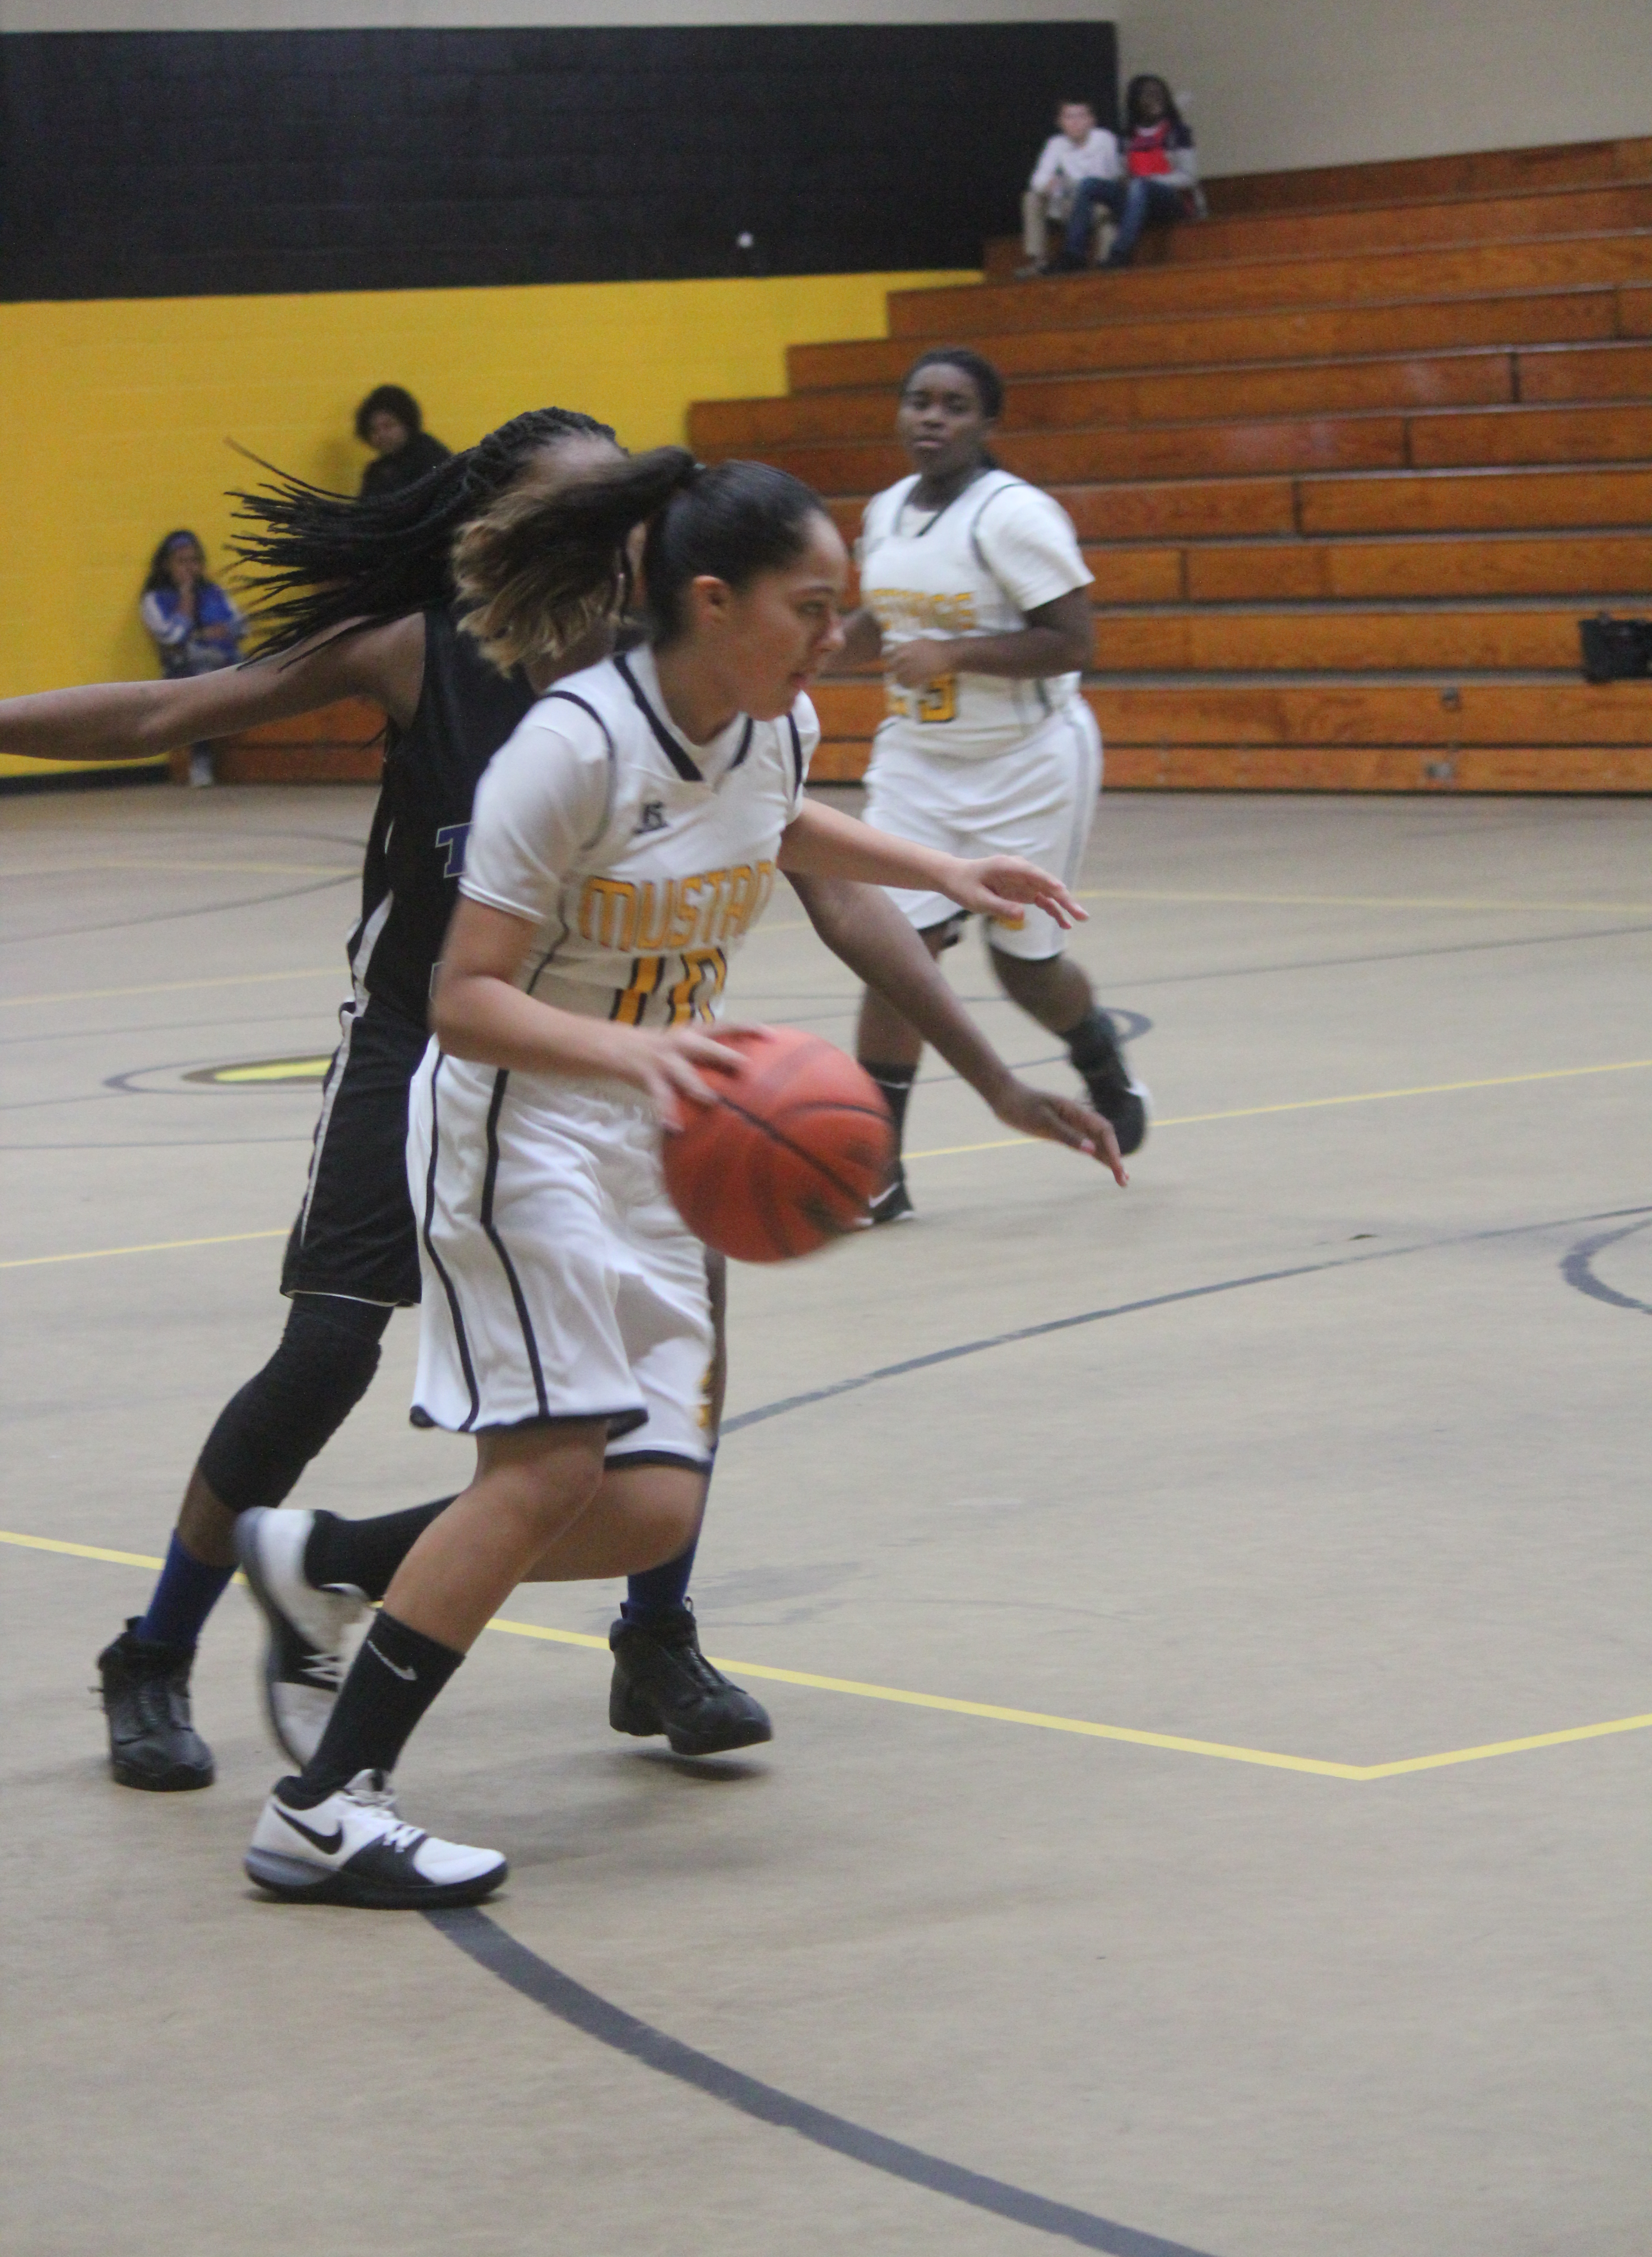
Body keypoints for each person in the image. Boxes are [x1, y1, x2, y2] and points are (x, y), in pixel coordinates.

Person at [0, 410, 1117, 1796]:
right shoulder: (434, 657)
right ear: (504, 533)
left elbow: (826, 882)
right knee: (331, 1352)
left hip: (630, 1057)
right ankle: (157, 1648)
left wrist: (994, 1070)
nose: (615, 543)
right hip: (435, 1034)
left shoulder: (708, 685)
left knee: (677, 1368)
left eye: (627, 515)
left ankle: (656, 1638)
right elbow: (169, 711)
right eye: (581, 517)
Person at [832, 346, 1149, 1224]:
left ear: (986, 425)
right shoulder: (885, 512)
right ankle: (878, 1170)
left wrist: (957, 653)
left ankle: (1098, 1058)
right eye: (918, 401)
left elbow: (1073, 641)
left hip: (1027, 761)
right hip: (920, 761)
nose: (931, 417)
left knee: (1024, 968)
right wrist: (817, 649)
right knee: (899, 954)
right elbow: (882, 623)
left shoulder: (1015, 516)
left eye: (955, 405)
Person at [1058, 75, 1201, 272]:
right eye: (1148, 94)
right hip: (1137, 201)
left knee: (1139, 185)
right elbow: (1122, 174)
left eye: (1159, 93)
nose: (1155, 98)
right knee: (1088, 185)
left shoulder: (1178, 133)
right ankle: (1073, 255)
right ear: (1135, 100)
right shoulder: (1127, 137)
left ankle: (1120, 253)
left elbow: (1189, 178)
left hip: (1172, 201)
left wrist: (1150, 181)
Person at [138, 529, 246, 785]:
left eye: (194, 561)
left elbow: (240, 626)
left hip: (224, 661)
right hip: (185, 669)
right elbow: (173, 637)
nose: (190, 568)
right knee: (199, 684)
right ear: (167, 565)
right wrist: (187, 601)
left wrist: (202, 634)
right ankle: (201, 758)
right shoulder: (154, 599)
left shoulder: (214, 592)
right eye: (182, 562)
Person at [1018, 98, 1120, 277]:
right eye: (1069, 117)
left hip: (1096, 202)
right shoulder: (1056, 143)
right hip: (1068, 203)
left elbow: (1107, 179)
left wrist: (1065, 183)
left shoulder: (1104, 139)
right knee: (1032, 198)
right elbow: (1038, 181)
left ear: (1092, 120)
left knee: (1098, 206)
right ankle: (1039, 261)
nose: (1076, 122)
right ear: (1060, 122)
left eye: (1081, 116)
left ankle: (1099, 264)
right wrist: (1049, 185)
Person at [355, 384, 452, 498]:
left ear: (407, 424)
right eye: (374, 430)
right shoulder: (377, 470)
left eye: (389, 426)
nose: (381, 435)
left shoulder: (432, 458)